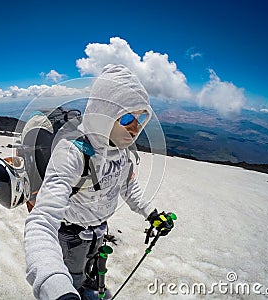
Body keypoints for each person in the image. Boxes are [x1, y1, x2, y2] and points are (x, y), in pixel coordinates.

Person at [24, 64, 166, 299]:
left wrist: (151, 214)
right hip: (71, 236)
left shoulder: (122, 151)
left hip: (99, 231)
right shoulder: (72, 152)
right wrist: (55, 287)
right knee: (74, 280)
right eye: (128, 117)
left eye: (142, 118)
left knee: (93, 272)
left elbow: (128, 187)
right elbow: (41, 221)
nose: (135, 128)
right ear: (105, 112)